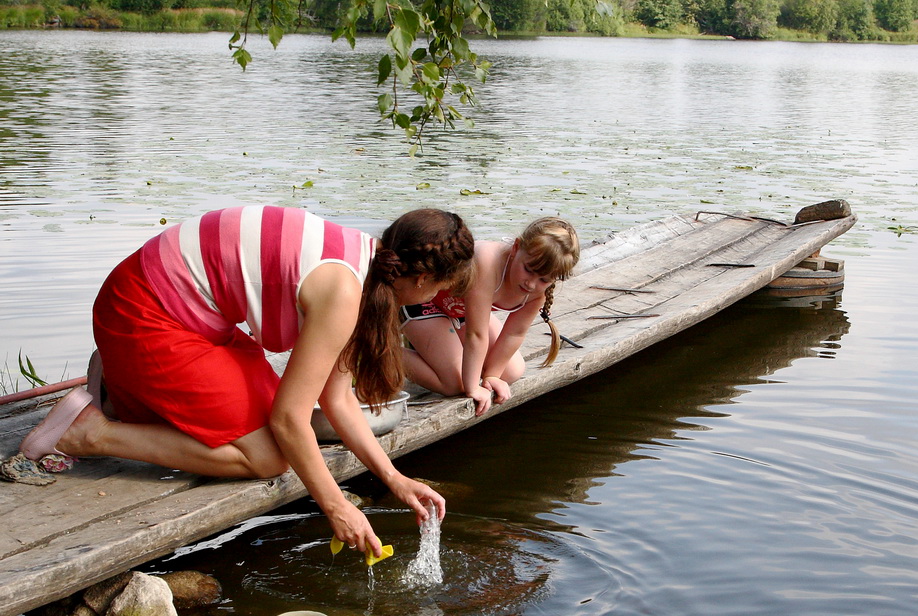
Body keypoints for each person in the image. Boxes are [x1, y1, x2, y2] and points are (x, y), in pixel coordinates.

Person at [19, 205, 475, 556]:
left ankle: (119, 392)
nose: (436, 298)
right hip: (144, 314)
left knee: (256, 422)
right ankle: (91, 432)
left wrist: (395, 478)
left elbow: (335, 399)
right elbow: (290, 421)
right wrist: (337, 506)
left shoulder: (363, 261)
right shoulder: (342, 291)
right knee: (268, 455)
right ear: (418, 278)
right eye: (439, 289)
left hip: (179, 311)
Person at [400, 217, 580, 417]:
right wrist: (473, 388)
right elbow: (476, 335)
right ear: (516, 247)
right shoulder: (487, 261)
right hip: (424, 302)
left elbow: (514, 334)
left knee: (512, 371)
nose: (531, 284)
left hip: (461, 314)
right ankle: (381, 353)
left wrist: (492, 376)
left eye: (544, 279)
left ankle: (438, 351)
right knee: (456, 383)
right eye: (528, 270)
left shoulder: (538, 292)